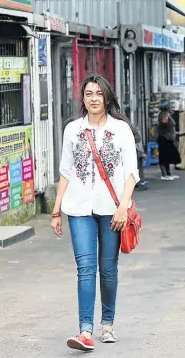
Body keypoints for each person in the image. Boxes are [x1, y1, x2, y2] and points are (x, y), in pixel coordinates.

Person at [50, 74, 139, 352]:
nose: (94, 98)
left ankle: (108, 323)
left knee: (108, 269)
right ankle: (85, 330)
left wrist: (123, 206)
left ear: (107, 97)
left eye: (99, 93)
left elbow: (131, 173)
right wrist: (56, 209)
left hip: (112, 210)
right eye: (88, 94)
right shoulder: (72, 130)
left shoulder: (121, 130)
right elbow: (65, 171)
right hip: (78, 208)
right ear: (83, 99)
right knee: (85, 269)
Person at [157, 108, 180, 181]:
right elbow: (163, 122)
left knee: (167, 156)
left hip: (167, 138)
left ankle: (168, 173)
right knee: (164, 157)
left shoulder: (164, 114)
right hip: (165, 138)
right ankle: (165, 174)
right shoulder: (164, 115)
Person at [131, 124, 149, 190]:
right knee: (138, 169)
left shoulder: (136, 139)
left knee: (139, 168)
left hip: (138, 154)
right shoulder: (134, 139)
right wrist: (141, 154)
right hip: (137, 155)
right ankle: (139, 182)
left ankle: (140, 181)